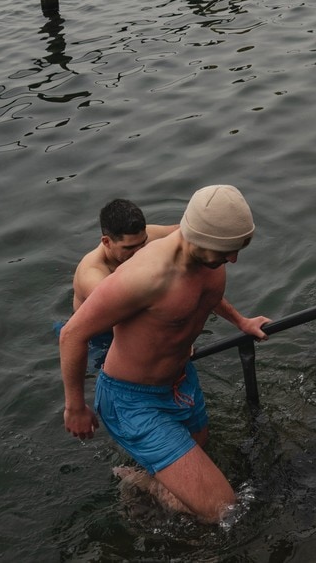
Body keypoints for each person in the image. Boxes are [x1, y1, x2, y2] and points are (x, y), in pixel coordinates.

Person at [60, 185, 271, 523]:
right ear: (197, 237)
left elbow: (205, 296)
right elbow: (72, 334)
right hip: (132, 400)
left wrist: (241, 322)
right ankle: (142, 481)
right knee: (225, 511)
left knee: (200, 450)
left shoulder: (209, 253)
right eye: (226, 250)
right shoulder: (144, 277)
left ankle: (151, 484)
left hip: (181, 380)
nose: (232, 259)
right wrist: (75, 406)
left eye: (238, 248)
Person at [56, 198, 178, 372]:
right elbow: (132, 318)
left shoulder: (142, 238)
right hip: (99, 338)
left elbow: (186, 234)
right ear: (106, 242)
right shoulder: (93, 275)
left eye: (143, 243)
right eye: (129, 248)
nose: (140, 252)